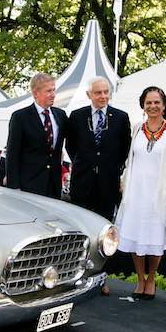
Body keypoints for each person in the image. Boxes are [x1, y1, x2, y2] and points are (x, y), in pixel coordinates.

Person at [66, 76, 131, 296]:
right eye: (98, 93)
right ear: (89, 95)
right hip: (82, 183)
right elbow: (71, 147)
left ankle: (101, 278)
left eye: (106, 92)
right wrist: (87, 164)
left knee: (104, 232)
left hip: (107, 183)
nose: (103, 96)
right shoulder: (76, 117)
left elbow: (124, 149)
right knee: (80, 230)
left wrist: (108, 168)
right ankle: (76, 276)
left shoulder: (121, 118)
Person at [115, 86, 166, 300]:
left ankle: (151, 278)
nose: (152, 106)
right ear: (143, 105)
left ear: (164, 105)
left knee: (155, 235)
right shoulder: (136, 128)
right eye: (148, 102)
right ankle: (140, 279)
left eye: (156, 102)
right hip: (136, 190)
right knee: (136, 234)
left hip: (160, 192)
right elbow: (128, 160)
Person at [5, 72, 67, 198]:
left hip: (53, 185)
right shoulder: (20, 117)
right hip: (28, 185)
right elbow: (12, 154)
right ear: (35, 93)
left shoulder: (60, 115)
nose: (53, 95)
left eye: (54, 90)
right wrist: (14, 187)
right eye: (49, 91)